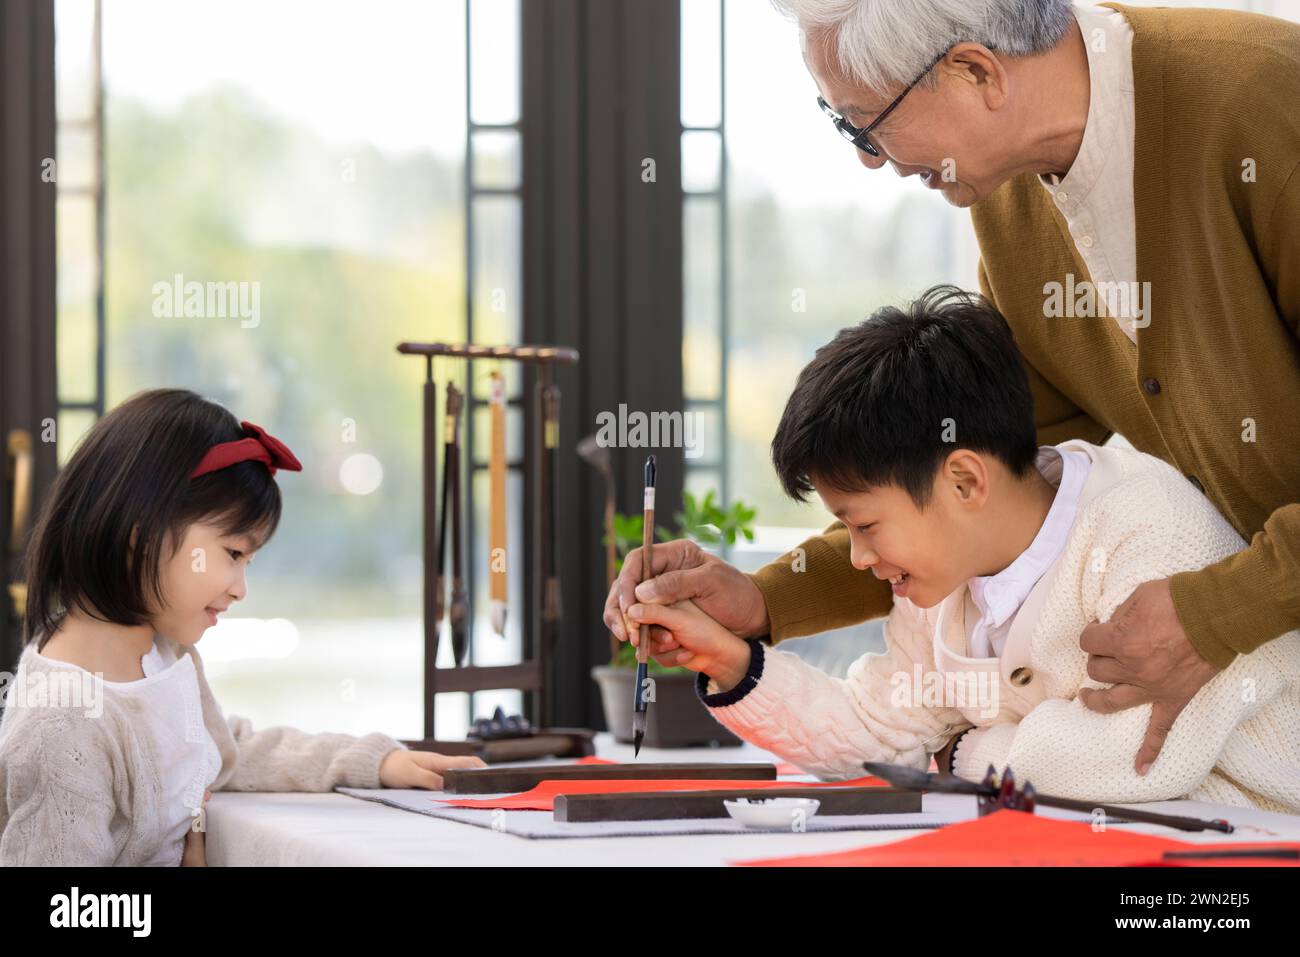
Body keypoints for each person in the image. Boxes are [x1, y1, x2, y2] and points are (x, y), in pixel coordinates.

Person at [609, 0, 1300, 774]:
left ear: (975, 72)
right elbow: (974, 475)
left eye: (864, 122)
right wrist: (769, 600)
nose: (867, 158)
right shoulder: (1009, 203)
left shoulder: (1264, 100)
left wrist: (1218, 612)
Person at [619, 287, 1300, 813]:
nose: (855, 558)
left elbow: (1126, 761)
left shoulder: (1145, 527)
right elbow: (883, 735)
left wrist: (963, 752)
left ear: (966, 479)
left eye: (863, 525)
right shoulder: (943, 583)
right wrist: (728, 658)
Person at [0, 388, 484, 866]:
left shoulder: (160, 655)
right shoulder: (60, 727)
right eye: (233, 554)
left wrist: (374, 762)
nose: (239, 588)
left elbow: (223, 750)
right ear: (138, 530)